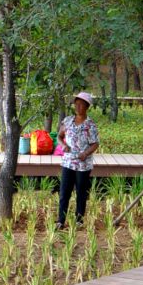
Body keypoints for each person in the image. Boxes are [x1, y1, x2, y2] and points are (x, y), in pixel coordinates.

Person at [57, 91, 99, 224]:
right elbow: (59, 136)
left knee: (81, 192)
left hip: (83, 164)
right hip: (68, 162)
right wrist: (63, 145)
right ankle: (61, 220)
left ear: (87, 107)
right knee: (64, 192)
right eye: (76, 104)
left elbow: (95, 144)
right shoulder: (68, 121)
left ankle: (79, 220)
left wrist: (85, 153)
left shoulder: (90, 124)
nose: (78, 107)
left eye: (81, 105)